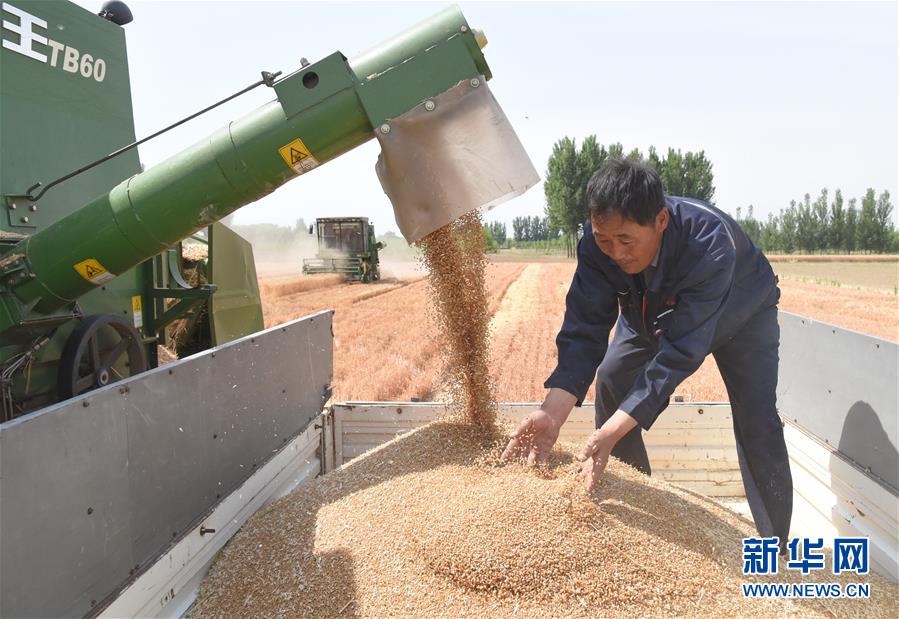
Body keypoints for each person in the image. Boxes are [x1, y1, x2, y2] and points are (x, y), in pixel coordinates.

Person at [501, 158, 793, 546]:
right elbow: (583, 329)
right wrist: (552, 413)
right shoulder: (597, 247)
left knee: (757, 419)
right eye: (605, 240)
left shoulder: (708, 243)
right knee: (612, 378)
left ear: (660, 221)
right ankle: (633, 503)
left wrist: (616, 427)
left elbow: (677, 354)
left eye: (626, 241)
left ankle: (777, 544)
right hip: (650, 313)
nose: (616, 253)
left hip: (741, 315)